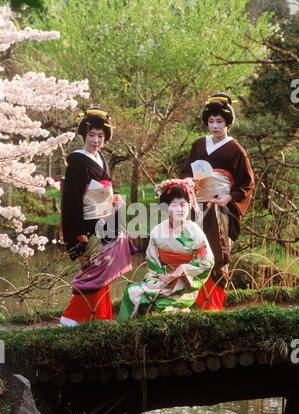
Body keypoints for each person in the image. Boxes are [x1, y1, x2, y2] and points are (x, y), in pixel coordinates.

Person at [60, 106, 136, 326]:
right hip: (87, 223)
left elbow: (106, 187)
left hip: (105, 220)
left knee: (105, 266)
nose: (95, 140)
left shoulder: (100, 157)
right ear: (84, 134)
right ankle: (73, 316)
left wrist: (115, 197)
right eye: (91, 135)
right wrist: (78, 233)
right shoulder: (76, 160)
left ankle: (99, 315)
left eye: (100, 136)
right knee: (93, 270)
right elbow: (72, 199)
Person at [180, 92, 254, 310]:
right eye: (211, 121)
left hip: (219, 209)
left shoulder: (236, 150)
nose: (214, 126)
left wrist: (229, 197)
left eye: (219, 121)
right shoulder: (198, 145)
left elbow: (246, 184)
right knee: (192, 252)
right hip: (196, 208)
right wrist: (189, 182)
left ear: (228, 123)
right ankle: (192, 302)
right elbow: (184, 173)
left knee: (216, 254)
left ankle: (214, 306)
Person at [117, 179, 214, 322]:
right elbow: (152, 259)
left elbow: (207, 261)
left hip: (183, 283)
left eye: (183, 205)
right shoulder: (158, 231)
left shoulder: (195, 232)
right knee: (131, 292)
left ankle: (175, 313)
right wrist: (162, 276)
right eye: (174, 205)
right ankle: (126, 330)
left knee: (160, 306)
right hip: (160, 279)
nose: (180, 209)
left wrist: (181, 270)